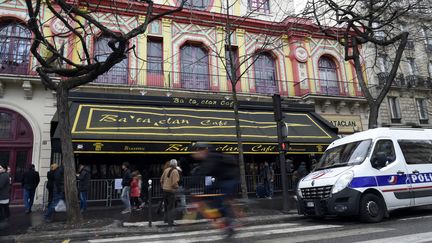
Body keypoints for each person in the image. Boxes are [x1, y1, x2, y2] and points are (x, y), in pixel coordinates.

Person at [191, 143, 240, 239]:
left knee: (225, 199)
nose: (196, 155)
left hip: (230, 179)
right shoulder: (209, 158)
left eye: (197, 152)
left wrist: (190, 186)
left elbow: (203, 172)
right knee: (209, 194)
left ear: (203, 150)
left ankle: (230, 219)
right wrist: (204, 193)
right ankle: (222, 214)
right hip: (221, 179)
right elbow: (204, 173)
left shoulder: (212, 157)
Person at [160, 159, 180, 226]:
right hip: (171, 191)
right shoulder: (175, 171)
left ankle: (165, 219)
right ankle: (170, 221)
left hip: (165, 190)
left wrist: (163, 186)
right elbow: (174, 183)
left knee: (166, 206)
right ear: (175, 164)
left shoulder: (166, 170)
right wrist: (177, 188)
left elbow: (161, 180)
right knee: (171, 207)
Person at [0, 163, 10, 229]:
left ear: (4, 169)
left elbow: (0, 186)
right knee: (4, 210)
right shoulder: (4, 175)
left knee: (1, 212)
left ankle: (3, 224)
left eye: (0, 168)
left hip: (2, 197)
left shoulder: (4, 175)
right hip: (4, 197)